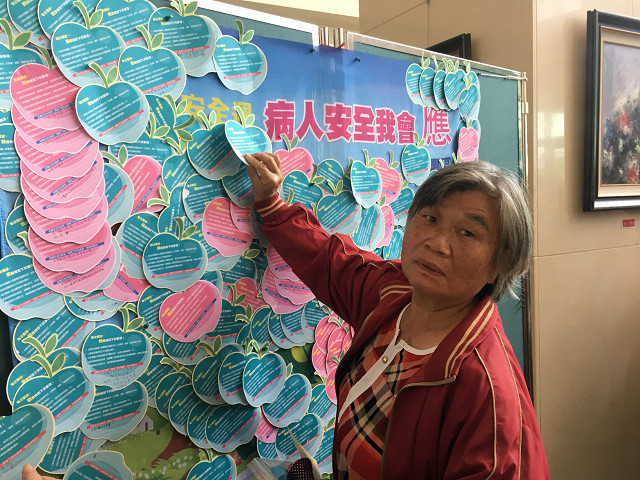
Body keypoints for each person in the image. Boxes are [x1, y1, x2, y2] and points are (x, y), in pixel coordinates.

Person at [245, 152, 549, 479]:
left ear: (501, 263)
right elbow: (328, 261)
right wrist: (271, 205)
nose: (437, 243)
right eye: (430, 218)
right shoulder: (393, 294)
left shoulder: (489, 395)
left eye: (467, 233)